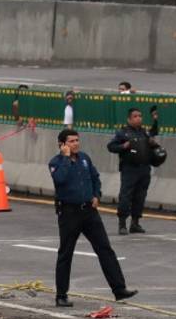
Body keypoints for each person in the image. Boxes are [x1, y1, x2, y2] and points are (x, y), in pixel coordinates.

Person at [48, 128, 137, 308]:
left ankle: (119, 289)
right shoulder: (56, 162)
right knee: (66, 253)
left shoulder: (84, 159)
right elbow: (60, 179)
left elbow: (95, 178)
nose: (75, 144)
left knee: (105, 249)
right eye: (71, 141)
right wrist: (65, 158)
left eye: (77, 140)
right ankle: (61, 295)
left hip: (89, 211)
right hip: (69, 213)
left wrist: (97, 194)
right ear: (62, 144)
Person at [107, 106, 160, 235]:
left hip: (144, 169)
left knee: (140, 196)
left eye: (140, 116)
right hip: (129, 169)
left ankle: (135, 223)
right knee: (126, 196)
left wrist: (153, 143)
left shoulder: (144, 133)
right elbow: (111, 146)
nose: (138, 118)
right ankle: (122, 224)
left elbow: (154, 135)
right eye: (135, 116)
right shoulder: (123, 133)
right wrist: (123, 146)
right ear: (129, 119)